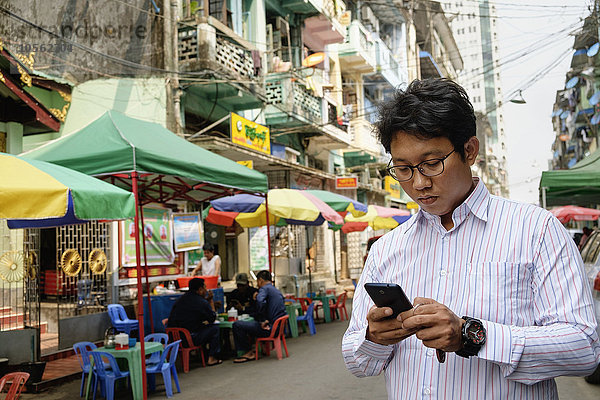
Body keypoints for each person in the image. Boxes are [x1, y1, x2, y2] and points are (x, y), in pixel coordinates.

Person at [342, 78, 600, 399]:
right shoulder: (386, 250)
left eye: (431, 163)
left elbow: (584, 347)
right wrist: (374, 337)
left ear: (470, 150)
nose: (419, 182)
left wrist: (472, 336)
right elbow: (357, 360)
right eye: (404, 168)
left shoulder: (536, 231)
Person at [232, 270, 286, 363]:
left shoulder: (264, 289)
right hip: (278, 328)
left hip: (270, 329)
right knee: (250, 324)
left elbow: (260, 302)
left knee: (237, 325)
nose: (257, 284)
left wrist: (261, 316)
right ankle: (258, 348)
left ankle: (248, 352)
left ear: (260, 280)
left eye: (257, 281)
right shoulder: (275, 290)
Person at [167, 278, 222, 366]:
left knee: (202, 327)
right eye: (204, 288)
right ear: (200, 290)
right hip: (188, 339)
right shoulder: (201, 302)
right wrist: (211, 301)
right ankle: (212, 357)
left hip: (174, 338)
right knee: (214, 329)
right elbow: (212, 318)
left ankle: (201, 355)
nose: (206, 290)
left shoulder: (182, 299)